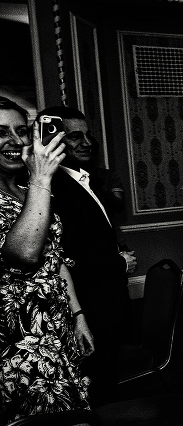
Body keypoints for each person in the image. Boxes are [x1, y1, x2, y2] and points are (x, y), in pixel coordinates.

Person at [0, 97, 94, 425]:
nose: (15, 140)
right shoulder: (37, 185)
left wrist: (78, 315)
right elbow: (24, 254)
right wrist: (42, 178)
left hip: (57, 331)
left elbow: (53, 256)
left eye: (21, 130)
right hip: (20, 348)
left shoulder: (28, 190)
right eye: (1, 132)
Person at [37, 105, 135, 406]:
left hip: (107, 306)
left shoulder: (86, 178)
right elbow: (66, 256)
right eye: (74, 136)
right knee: (96, 393)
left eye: (87, 135)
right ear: (52, 141)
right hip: (89, 308)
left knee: (108, 382)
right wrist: (119, 262)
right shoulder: (54, 188)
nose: (86, 142)